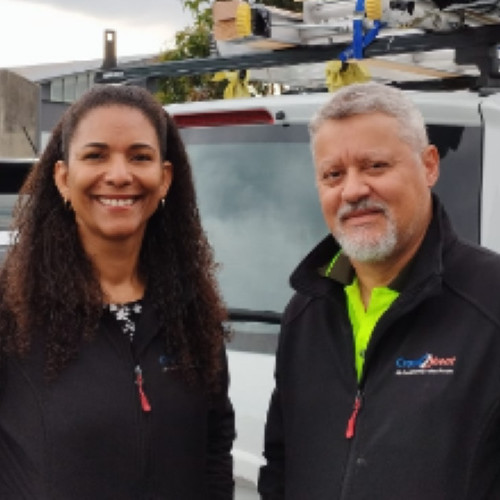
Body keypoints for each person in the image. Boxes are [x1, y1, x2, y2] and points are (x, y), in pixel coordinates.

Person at [258, 81, 500, 500]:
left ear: (429, 165)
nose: (352, 190)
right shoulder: (306, 311)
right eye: (333, 175)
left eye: (375, 166)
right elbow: (280, 466)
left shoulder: (491, 301)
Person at [0, 85, 235, 499]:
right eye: (96, 155)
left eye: (140, 157)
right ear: (63, 178)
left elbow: (213, 451)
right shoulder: (11, 310)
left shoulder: (191, 313)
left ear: (164, 178)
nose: (120, 175)